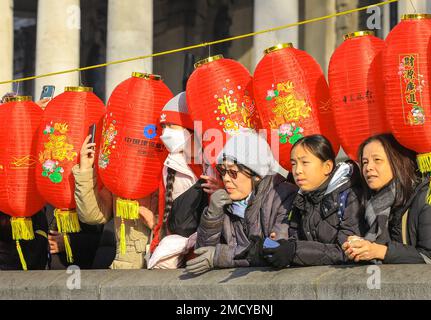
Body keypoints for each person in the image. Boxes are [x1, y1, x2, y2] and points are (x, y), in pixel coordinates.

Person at [185, 131, 297, 274]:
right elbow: (203, 254)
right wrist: (212, 216)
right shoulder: (224, 204)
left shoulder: (283, 196)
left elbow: (274, 250)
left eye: (233, 172)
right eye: (222, 171)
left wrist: (220, 256)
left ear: (257, 175)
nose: (225, 179)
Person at [343, 134, 431, 264]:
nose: (368, 167)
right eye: (365, 162)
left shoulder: (427, 200)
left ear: (397, 162)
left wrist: (381, 251)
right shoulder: (367, 202)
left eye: (377, 160)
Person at [261, 134, 366, 268]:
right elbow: (295, 239)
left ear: (327, 166)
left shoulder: (350, 196)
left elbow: (347, 251)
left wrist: (295, 251)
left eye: (305, 163)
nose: (297, 171)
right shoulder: (300, 199)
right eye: (293, 164)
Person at [147, 92, 222, 269]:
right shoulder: (169, 164)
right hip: (178, 246)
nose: (165, 133)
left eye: (171, 126)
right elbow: (165, 212)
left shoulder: (214, 161)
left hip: (212, 242)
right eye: (163, 126)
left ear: (189, 127)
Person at [72, 137, 158, 269]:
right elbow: (93, 215)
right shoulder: (120, 169)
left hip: (169, 263)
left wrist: (156, 225)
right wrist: (85, 170)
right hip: (127, 266)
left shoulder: (177, 164)